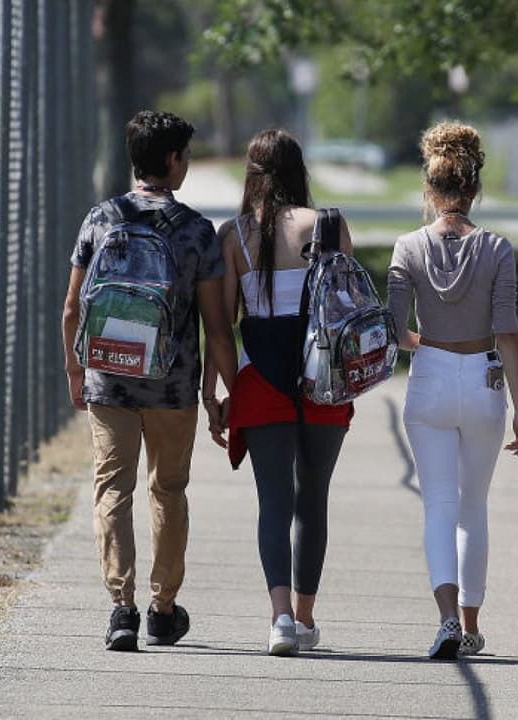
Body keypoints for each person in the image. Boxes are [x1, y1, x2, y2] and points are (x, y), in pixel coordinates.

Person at [62, 110, 237, 652]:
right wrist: (220, 392)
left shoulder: (102, 218)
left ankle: (121, 609)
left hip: (109, 379)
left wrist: (75, 371)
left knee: (113, 488)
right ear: (171, 160)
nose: (186, 164)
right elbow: (216, 327)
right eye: (185, 155)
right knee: (169, 490)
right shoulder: (195, 231)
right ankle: (162, 610)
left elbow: (72, 309)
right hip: (172, 384)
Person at [205, 129, 354, 657]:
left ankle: (281, 619)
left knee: (274, 501)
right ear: (300, 170)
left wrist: (222, 389)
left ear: (252, 173)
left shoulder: (235, 235)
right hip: (324, 380)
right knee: (313, 500)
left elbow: (221, 327)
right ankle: (308, 616)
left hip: (261, 377)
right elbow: (348, 311)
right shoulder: (329, 227)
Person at [388, 120, 518, 660]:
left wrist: (427, 340)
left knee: (438, 506)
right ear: (474, 189)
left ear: (430, 189)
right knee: (474, 506)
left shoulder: (407, 247)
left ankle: (445, 617)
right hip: (484, 379)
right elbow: (508, 331)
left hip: (429, 378)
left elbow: (395, 330)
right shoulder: (497, 248)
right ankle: (471, 623)